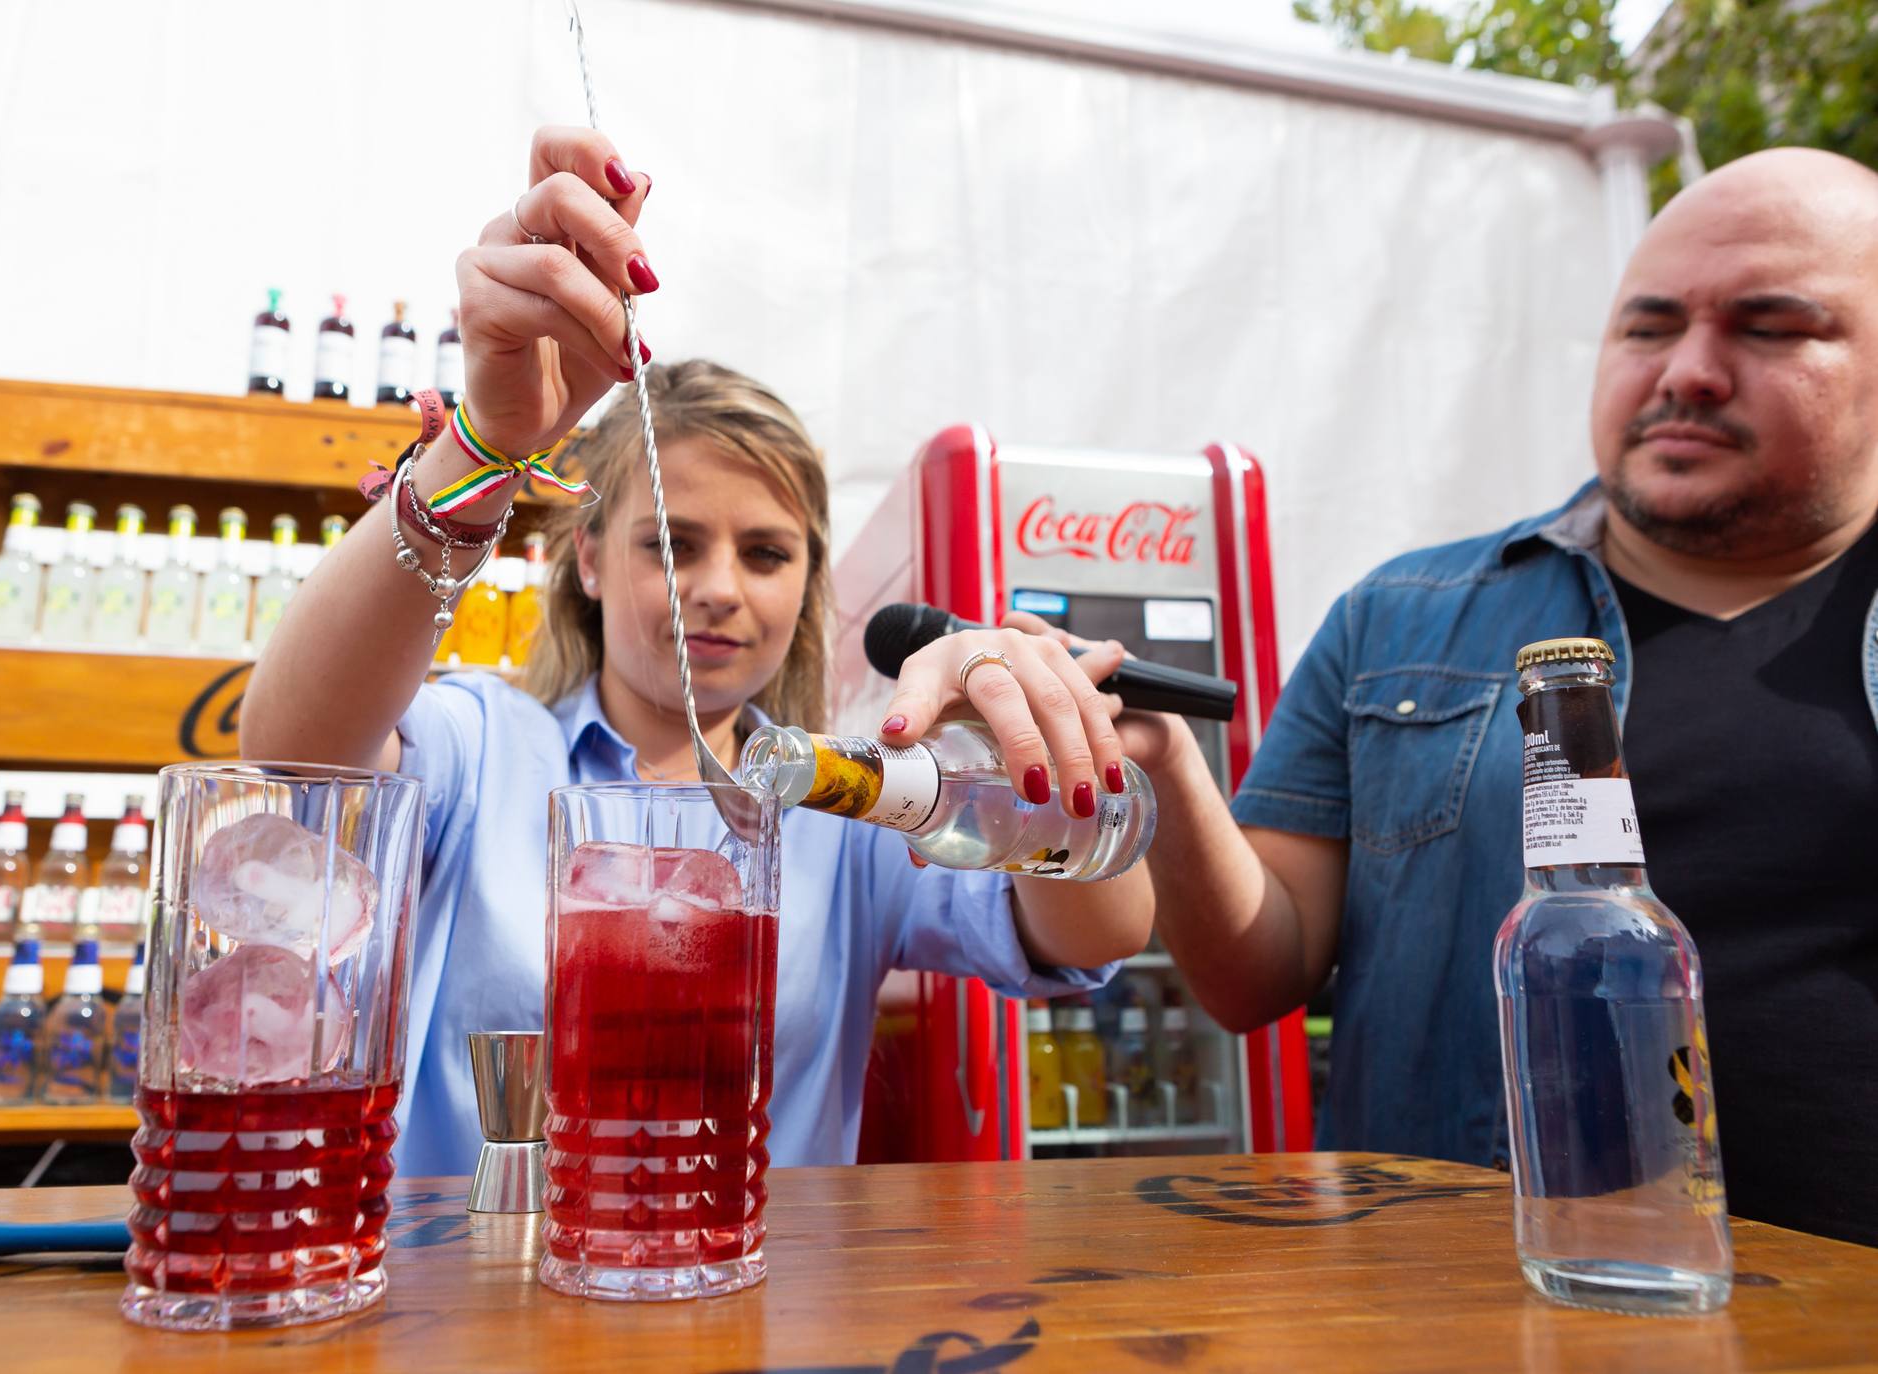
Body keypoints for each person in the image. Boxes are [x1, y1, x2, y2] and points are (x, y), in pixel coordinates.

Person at [240, 126, 1171, 1176]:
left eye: (766, 553)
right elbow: (289, 751)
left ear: (806, 584)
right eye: (671, 544)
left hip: (765, 1320)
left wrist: (1028, 750)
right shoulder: (484, 748)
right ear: (587, 558)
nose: (720, 588)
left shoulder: (844, 797)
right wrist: (484, 448)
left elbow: (1100, 932)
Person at [1148, 147, 1878, 1246]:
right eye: (1648, 326)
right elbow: (1255, 974)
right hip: (1474, 1300)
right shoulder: (1400, 617)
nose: (1688, 370)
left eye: (1769, 326)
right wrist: (1159, 760)